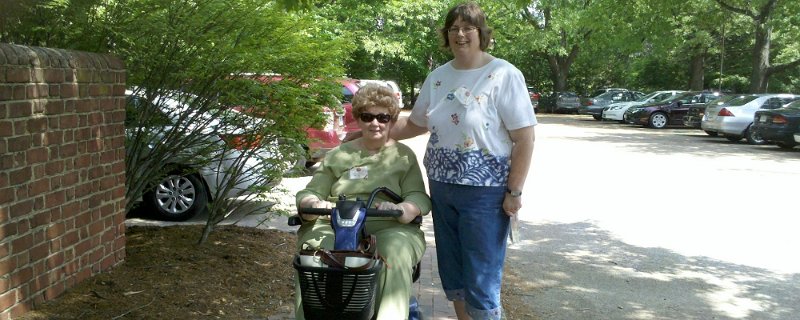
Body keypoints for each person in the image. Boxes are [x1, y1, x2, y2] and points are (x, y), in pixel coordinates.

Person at [389, 2, 537, 319]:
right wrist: (372, 132)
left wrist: (514, 192)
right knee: (453, 274)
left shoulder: (503, 74)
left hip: (485, 193)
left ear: (481, 33)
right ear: (446, 35)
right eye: (454, 28)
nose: (460, 34)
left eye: (468, 27)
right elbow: (416, 124)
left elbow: (524, 138)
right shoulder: (438, 77)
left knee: (481, 280)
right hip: (442, 189)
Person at [294, 84, 431, 320]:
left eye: (382, 117)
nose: (375, 123)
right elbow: (311, 192)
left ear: (391, 119)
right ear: (358, 118)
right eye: (367, 117)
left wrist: (404, 209)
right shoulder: (339, 154)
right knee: (313, 252)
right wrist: (312, 203)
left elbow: (418, 197)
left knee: (394, 250)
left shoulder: (403, 156)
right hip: (335, 222)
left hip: (387, 223)